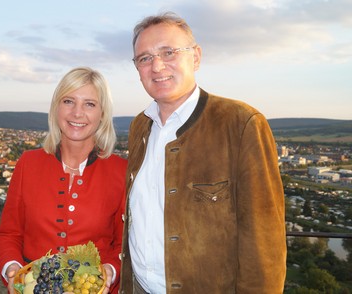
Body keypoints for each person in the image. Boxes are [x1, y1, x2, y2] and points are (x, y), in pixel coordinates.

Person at [120, 12, 287, 293]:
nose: (157, 66)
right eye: (145, 58)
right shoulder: (141, 126)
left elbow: (265, 242)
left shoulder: (240, 123)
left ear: (195, 57)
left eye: (168, 52)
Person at [0, 67, 127, 294]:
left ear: (103, 113)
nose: (77, 113)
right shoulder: (28, 162)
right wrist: (12, 267)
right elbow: (9, 234)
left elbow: (124, 245)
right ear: (56, 107)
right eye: (68, 101)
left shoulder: (121, 170)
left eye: (90, 104)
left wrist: (110, 271)